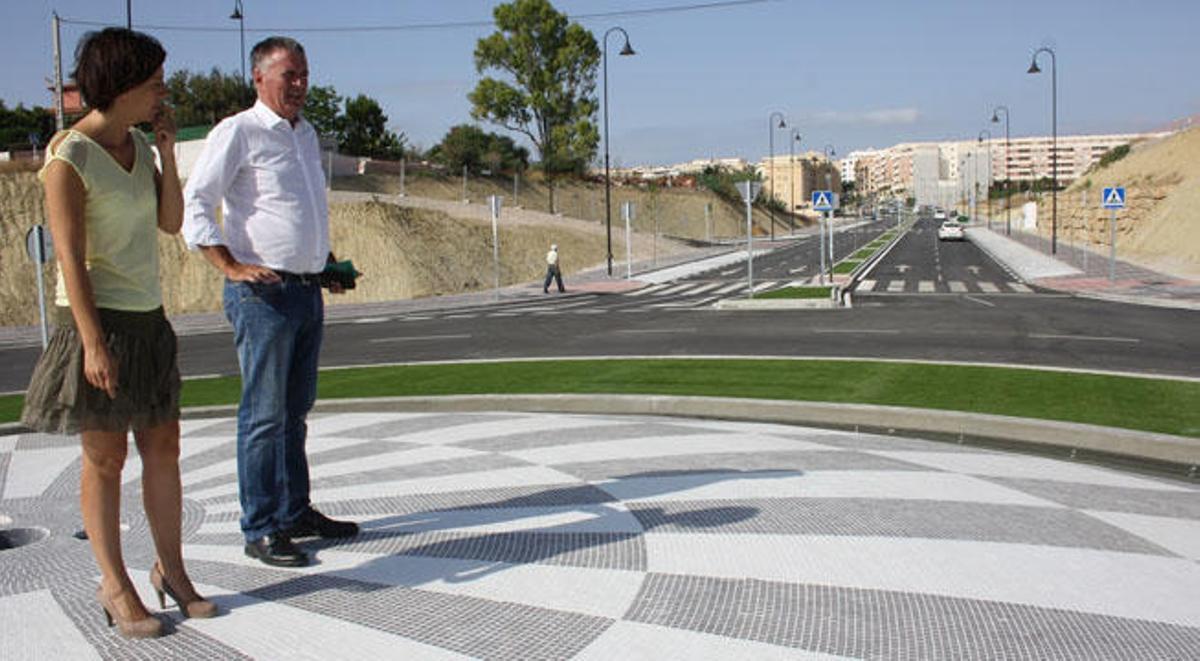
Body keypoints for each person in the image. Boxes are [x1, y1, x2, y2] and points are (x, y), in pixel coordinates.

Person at [21, 28, 216, 639]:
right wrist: (92, 343)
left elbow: (171, 223)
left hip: (147, 318)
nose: (163, 91)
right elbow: (70, 260)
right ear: (123, 84)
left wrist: (166, 155)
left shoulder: (138, 144)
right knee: (105, 458)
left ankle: (172, 572)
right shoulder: (68, 157)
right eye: (155, 82)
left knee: (164, 449)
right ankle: (114, 584)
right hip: (98, 322)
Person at [182, 36, 357, 569]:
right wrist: (229, 266)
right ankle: (260, 527)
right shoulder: (239, 131)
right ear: (259, 78)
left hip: (305, 290)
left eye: (304, 74)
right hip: (262, 295)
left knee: (294, 412)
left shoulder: (306, 134)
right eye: (289, 75)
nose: (300, 84)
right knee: (263, 415)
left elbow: (297, 209)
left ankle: (294, 511)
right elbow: (197, 202)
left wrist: (323, 262)